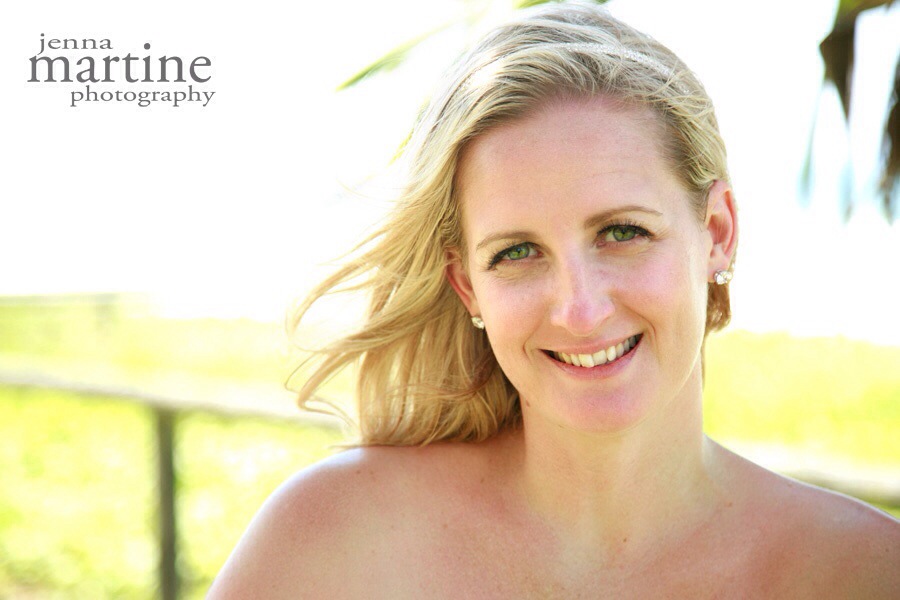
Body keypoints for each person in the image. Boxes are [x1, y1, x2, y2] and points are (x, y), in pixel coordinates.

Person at [209, 3, 899, 597]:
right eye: (517, 252)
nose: (580, 309)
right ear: (466, 284)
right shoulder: (334, 540)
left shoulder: (865, 573)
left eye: (622, 232)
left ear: (717, 232)